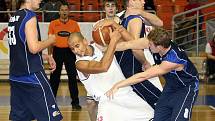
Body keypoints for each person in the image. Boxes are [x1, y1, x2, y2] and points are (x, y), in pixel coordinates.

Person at [106, 27, 199, 121]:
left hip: (186, 88)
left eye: (150, 44)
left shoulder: (173, 60)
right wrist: (105, 48)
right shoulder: (158, 43)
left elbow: (143, 76)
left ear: (159, 47)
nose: (147, 45)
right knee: (159, 118)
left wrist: (118, 85)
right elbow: (127, 45)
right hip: (171, 86)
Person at [68, 30, 154, 121]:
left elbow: (132, 43)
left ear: (85, 41)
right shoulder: (80, 63)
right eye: (72, 49)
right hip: (108, 102)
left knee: (154, 116)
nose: (76, 51)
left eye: (77, 46)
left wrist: (115, 26)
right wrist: (113, 40)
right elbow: (103, 67)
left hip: (126, 93)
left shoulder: (100, 45)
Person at [8, 0, 63, 121]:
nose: (40, 0)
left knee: (20, 118)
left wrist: (46, 56)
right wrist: (51, 40)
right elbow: (33, 48)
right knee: (51, 118)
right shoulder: (29, 16)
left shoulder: (14, 17)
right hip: (32, 75)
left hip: (15, 76)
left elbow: (23, 49)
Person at [113, 0, 164, 109]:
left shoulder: (123, 17)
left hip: (121, 64)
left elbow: (160, 23)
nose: (143, 1)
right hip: (131, 67)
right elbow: (135, 48)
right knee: (161, 103)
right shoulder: (135, 20)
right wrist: (145, 62)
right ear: (131, 1)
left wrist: (140, 12)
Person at [48, 3, 81, 110]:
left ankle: (75, 102)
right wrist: (50, 55)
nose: (64, 12)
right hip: (57, 51)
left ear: (69, 11)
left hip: (70, 52)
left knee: (72, 77)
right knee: (54, 78)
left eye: (66, 10)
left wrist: (78, 53)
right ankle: (51, 102)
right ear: (59, 12)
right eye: (62, 10)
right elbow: (49, 41)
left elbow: (78, 40)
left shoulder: (74, 24)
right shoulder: (53, 24)